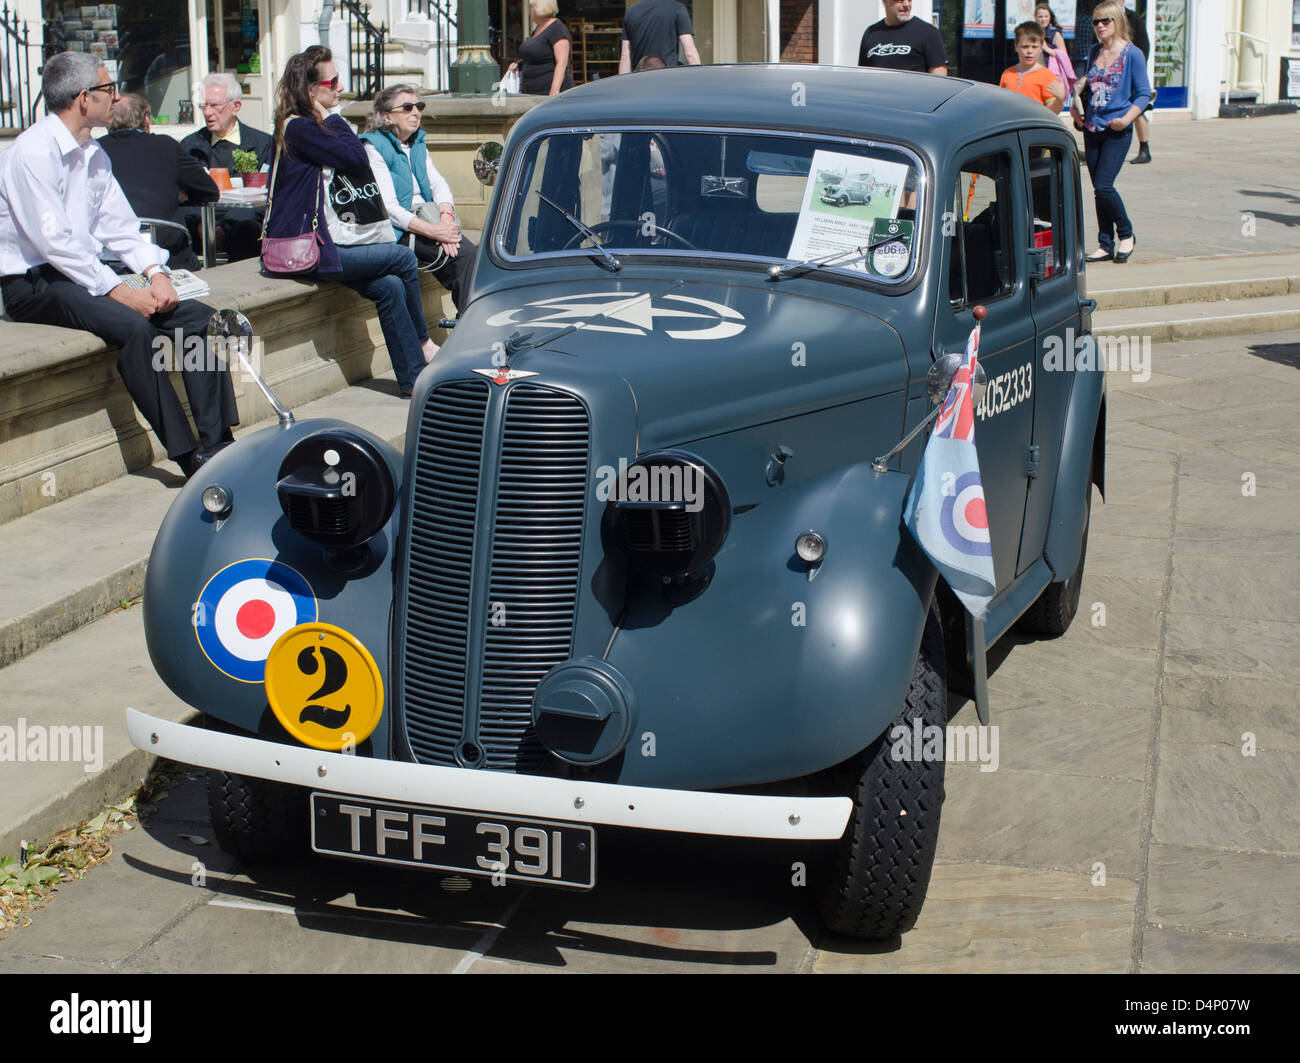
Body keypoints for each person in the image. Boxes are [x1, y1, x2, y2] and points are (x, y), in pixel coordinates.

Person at [0, 53, 237, 478]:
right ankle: (188, 457)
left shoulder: (93, 153)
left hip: (82, 273)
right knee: (135, 328)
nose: (117, 97)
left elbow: (122, 227)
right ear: (83, 98)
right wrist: (119, 291)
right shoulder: (32, 152)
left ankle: (219, 444)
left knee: (201, 319)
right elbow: (53, 242)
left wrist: (157, 275)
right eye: (109, 89)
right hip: (33, 283)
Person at [266, 46, 438, 397]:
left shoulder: (307, 127)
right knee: (403, 258)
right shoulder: (300, 129)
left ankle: (412, 381)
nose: (339, 87)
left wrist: (328, 115)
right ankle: (423, 344)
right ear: (312, 90)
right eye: (332, 81)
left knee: (389, 287)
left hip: (328, 242)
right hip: (310, 248)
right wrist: (332, 116)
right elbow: (357, 157)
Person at [359, 84, 477, 313]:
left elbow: (439, 184)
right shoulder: (373, 147)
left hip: (429, 217)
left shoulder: (417, 143)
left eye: (419, 106)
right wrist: (434, 232)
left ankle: (469, 321)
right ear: (386, 116)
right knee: (464, 257)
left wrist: (445, 219)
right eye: (407, 107)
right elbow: (389, 208)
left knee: (470, 255)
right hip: (398, 228)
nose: (416, 112)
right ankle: (469, 328)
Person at [98, 94, 219, 272]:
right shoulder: (166, 145)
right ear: (146, 119)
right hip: (168, 254)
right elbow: (210, 191)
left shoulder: (95, 150)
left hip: (111, 257)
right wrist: (180, 193)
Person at [1070, 1, 1150, 263]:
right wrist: (1076, 107)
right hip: (1092, 127)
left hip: (1117, 130)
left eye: (1106, 21)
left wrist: (1126, 119)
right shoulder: (1094, 51)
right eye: (1096, 22)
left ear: (1117, 22)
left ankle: (1126, 234)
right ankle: (1105, 243)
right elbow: (1086, 86)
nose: (1100, 26)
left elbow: (1143, 94)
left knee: (1104, 186)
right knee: (1097, 189)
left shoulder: (1132, 54)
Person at [180, 74, 274, 262]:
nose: (207, 112)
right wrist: (201, 223)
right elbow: (180, 199)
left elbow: (268, 198)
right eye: (204, 105)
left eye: (214, 105)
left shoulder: (263, 144)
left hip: (244, 236)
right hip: (199, 233)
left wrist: (226, 227)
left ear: (236, 106)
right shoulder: (190, 146)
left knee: (247, 231)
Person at [858, 0, 948, 75]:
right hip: (879, 95)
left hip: (914, 95)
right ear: (885, 2)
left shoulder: (928, 32)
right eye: (899, 0)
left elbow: (939, 75)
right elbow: (863, 75)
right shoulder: (871, 33)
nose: (906, 4)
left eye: (909, 0)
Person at [508, 0, 573, 96]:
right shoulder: (538, 29)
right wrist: (518, 65)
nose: (529, 10)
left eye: (531, 7)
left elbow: (562, 63)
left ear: (540, 8)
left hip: (548, 92)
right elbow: (535, 55)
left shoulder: (557, 28)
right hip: (533, 92)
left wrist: (554, 91)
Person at [619, 0, 701, 73]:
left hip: (640, 76)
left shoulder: (631, 11)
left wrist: (623, 84)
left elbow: (625, 56)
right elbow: (690, 54)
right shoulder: (677, 8)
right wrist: (699, 78)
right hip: (668, 76)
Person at [1000, 22, 1065, 113]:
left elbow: (1053, 113)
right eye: (1025, 46)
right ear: (1016, 46)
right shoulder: (1007, 74)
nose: (1029, 51)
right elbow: (1001, 105)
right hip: (1010, 125)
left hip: (1034, 126)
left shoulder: (1047, 76)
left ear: (1041, 48)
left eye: (1034, 47)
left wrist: (1059, 99)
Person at [1124, 5, 1155, 163]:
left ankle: (1144, 148)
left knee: (1138, 110)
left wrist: (1136, 68)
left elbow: (1144, 45)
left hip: (1131, 71)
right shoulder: (1103, 19)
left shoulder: (1133, 18)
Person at [1035, 3, 1076, 100]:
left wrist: (1047, 49)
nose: (1043, 19)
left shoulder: (1055, 34)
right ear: (1035, 18)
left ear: (1050, 17)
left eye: (1046, 16)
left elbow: (1064, 57)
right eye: (1040, 17)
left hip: (1051, 75)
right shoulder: (1033, 33)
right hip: (1037, 73)